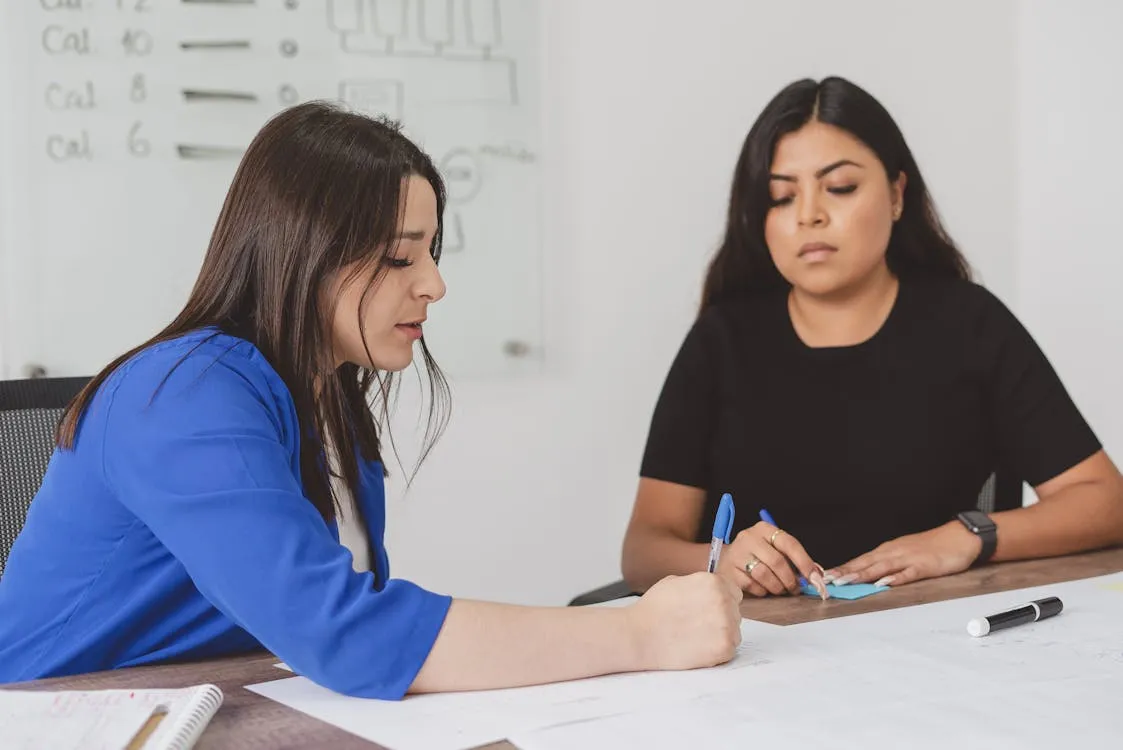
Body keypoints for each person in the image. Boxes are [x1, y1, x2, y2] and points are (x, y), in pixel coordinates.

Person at [0, 102, 743, 697]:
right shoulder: (182, 394)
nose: (434, 284)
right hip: (59, 722)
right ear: (306, 252)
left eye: (431, 251)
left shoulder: (332, 406)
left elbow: (344, 632)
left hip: (213, 705)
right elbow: (345, 633)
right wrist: (641, 635)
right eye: (398, 256)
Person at [621, 76, 1123, 600]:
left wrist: (966, 537)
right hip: (762, 649)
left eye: (839, 188)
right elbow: (644, 550)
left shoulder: (970, 324)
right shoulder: (720, 341)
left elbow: (1105, 502)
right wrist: (719, 563)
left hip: (936, 642)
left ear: (898, 194)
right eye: (781, 196)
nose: (809, 214)